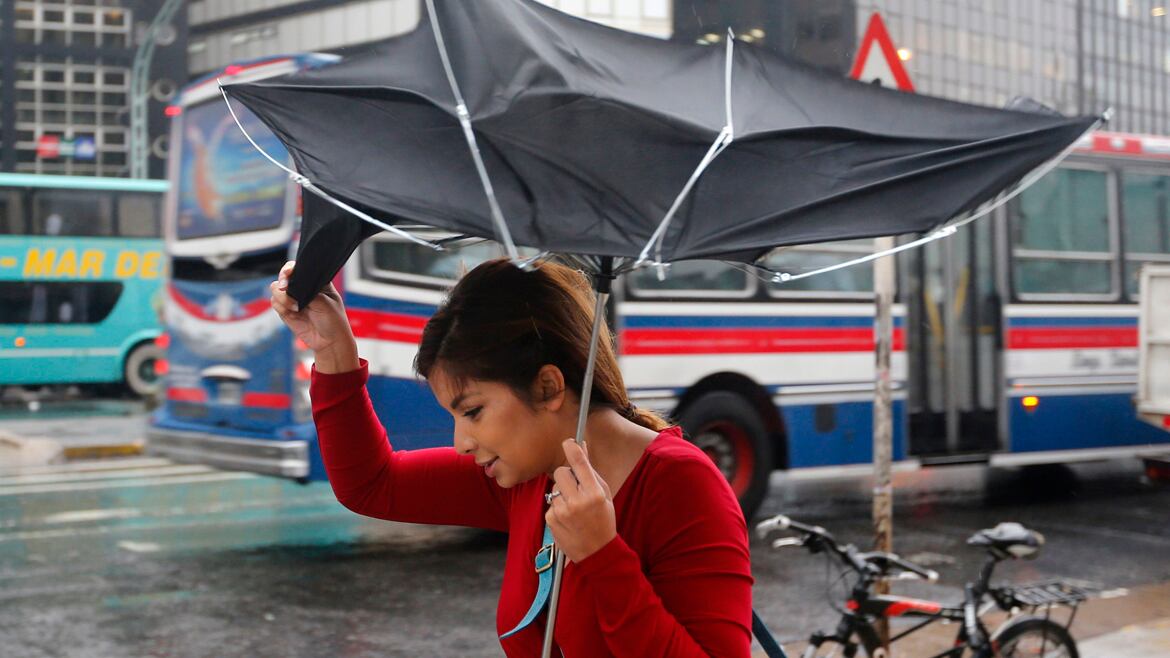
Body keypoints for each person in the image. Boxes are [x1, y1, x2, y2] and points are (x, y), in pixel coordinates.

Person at [269, 257, 753, 657]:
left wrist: (602, 557)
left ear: (548, 386)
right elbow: (373, 484)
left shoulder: (681, 484)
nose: (461, 441)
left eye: (473, 411)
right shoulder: (530, 476)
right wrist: (334, 351)